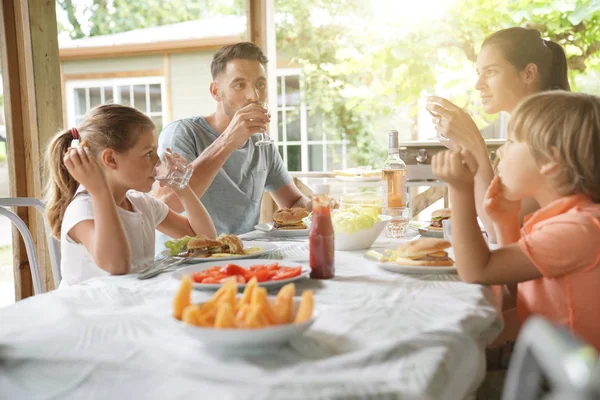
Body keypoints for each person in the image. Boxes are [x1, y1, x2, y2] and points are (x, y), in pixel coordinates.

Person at [431, 91, 600, 352]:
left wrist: (460, 190)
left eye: (510, 141)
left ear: (550, 161)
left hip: (566, 382)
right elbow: (515, 285)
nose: (500, 150)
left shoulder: (579, 229)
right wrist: (506, 221)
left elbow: (478, 271)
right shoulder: (564, 219)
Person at [45, 104, 216, 287]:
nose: (158, 161)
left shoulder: (141, 203)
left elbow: (205, 240)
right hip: (90, 312)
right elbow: (117, 266)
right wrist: (100, 192)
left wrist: (181, 187)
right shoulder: (82, 209)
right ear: (110, 159)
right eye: (148, 153)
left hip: (131, 304)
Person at [426, 27, 570, 242]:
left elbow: (497, 231)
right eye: (478, 73)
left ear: (529, 74)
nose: (478, 84)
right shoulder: (521, 129)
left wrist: (475, 145)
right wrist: (466, 149)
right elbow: (494, 212)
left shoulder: (553, 131)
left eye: (491, 72)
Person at [154, 42, 310, 240]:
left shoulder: (263, 145)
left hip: (242, 256)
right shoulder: (182, 133)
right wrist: (228, 140)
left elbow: (293, 201)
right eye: (239, 85)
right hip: (186, 260)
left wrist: (316, 207)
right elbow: (166, 202)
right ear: (215, 92)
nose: (253, 95)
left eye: (260, 84)